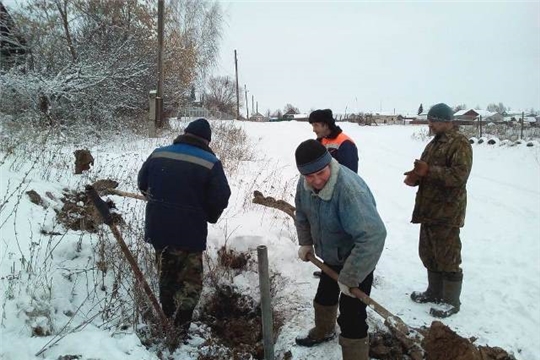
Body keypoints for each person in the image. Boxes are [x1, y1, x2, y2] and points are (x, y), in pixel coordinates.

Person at [293, 139, 386, 360]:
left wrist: (351, 275)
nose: (316, 180)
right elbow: (302, 214)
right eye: (309, 176)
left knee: (352, 314)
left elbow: (373, 236)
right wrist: (305, 242)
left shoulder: (348, 190)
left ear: (329, 164)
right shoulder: (305, 183)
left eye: (321, 173)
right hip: (331, 253)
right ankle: (323, 330)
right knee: (324, 296)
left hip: (357, 257)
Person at [137, 118, 231, 334]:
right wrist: (209, 214)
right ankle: (180, 327)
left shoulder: (159, 153)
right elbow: (221, 195)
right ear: (207, 140)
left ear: (185, 133)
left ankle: (166, 318)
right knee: (189, 282)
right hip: (189, 232)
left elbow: (143, 183)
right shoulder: (210, 162)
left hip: (158, 228)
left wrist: (158, 205)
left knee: (166, 274)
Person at [404, 103, 473, 318]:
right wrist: (415, 175)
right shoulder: (434, 144)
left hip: (447, 212)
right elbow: (424, 169)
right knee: (429, 253)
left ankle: (451, 301)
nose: (430, 124)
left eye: (433, 120)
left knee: (448, 256)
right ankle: (434, 292)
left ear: (445, 121)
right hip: (429, 209)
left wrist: (429, 171)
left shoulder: (459, 144)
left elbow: (459, 176)